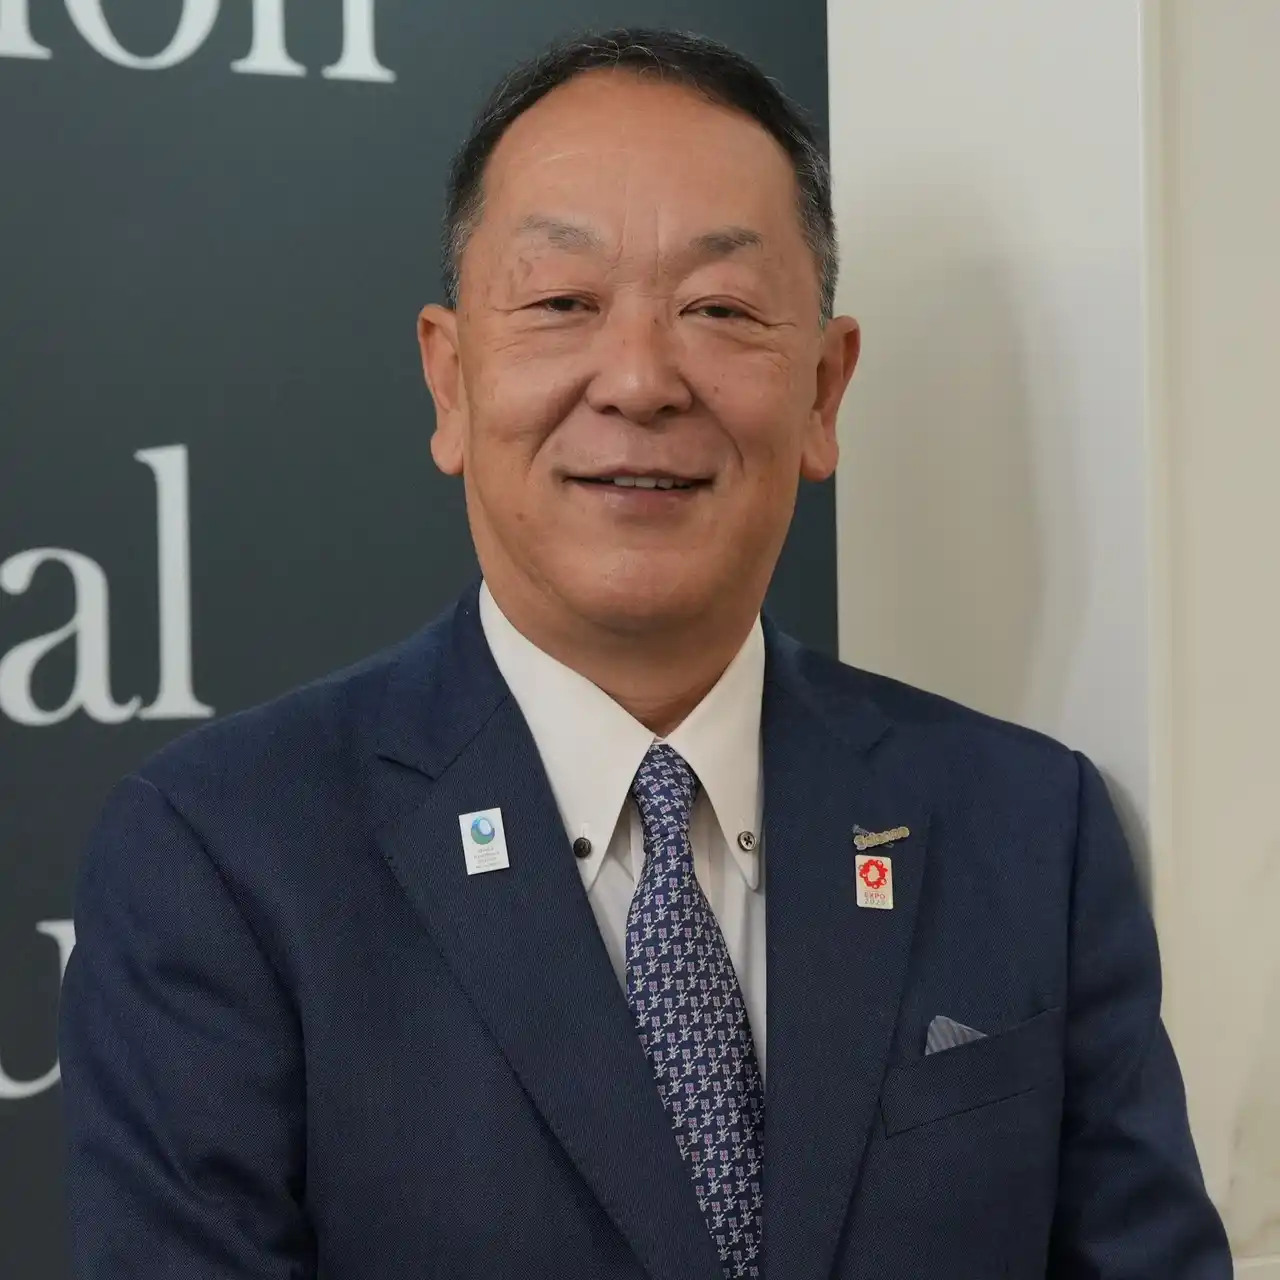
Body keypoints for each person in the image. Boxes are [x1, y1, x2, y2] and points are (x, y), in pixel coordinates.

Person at [59, 27, 1232, 1280]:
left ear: (823, 391)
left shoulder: (1025, 829)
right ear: (449, 382)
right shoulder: (224, 857)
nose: (637, 378)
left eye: (717, 309)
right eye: (562, 302)